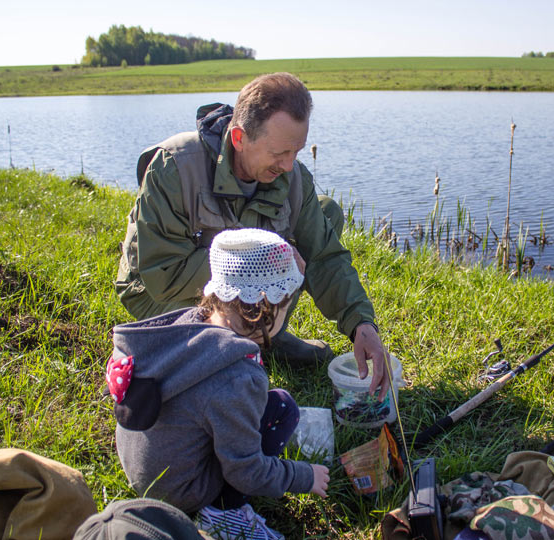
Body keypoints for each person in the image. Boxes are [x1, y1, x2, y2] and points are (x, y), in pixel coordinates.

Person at [115, 71, 390, 398]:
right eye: (279, 153)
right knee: (269, 267)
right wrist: (267, 258)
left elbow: (324, 256)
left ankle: (267, 336)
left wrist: (361, 324)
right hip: (159, 293)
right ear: (239, 139)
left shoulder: (292, 176)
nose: (288, 165)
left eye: (296, 151)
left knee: (324, 212)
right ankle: (240, 346)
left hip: (223, 290)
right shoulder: (175, 167)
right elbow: (163, 274)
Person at [110, 229, 330, 540]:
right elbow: (246, 471)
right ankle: (224, 512)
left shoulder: (190, 324)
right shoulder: (238, 377)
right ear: (267, 310)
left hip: (144, 471)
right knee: (283, 407)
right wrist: (304, 476)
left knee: (264, 405)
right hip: (182, 492)